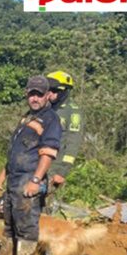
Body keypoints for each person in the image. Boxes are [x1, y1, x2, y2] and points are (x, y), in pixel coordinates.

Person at [0, 76, 62, 255]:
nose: (35, 98)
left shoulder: (51, 120)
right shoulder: (27, 118)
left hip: (28, 178)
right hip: (14, 176)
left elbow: (48, 154)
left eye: (39, 94)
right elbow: (17, 150)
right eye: (31, 93)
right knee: (10, 221)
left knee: (26, 224)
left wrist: (35, 180)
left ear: (47, 95)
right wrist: (3, 174)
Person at [45, 70, 83, 212]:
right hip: (38, 161)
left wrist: (62, 171)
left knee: (45, 202)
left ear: (64, 91)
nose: (50, 94)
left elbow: (73, 144)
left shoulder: (73, 113)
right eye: (48, 90)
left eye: (54, 90)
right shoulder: (46, 108)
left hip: (55, 164)